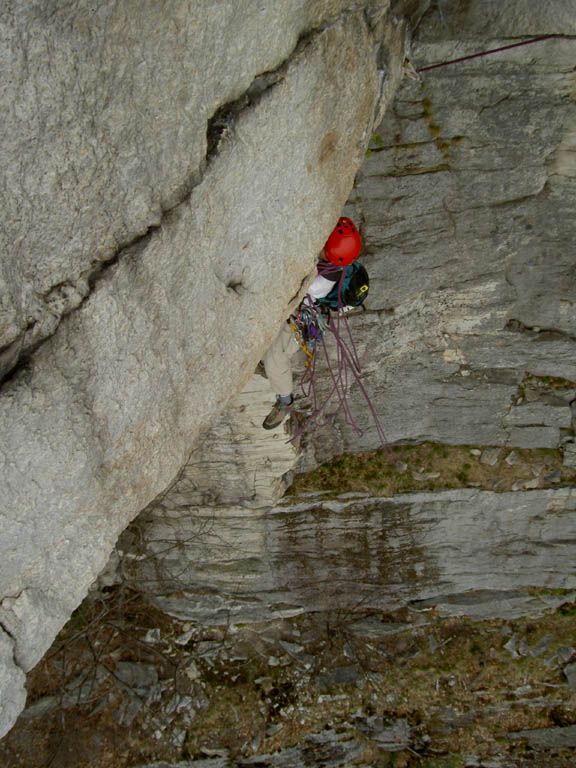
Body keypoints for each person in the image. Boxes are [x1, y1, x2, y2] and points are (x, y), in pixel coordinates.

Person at [261, 217, 362, 430]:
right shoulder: (336, 256)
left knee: (275, 357)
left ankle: (285, 401)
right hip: (306, 305)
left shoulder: (318, 285)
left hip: (304, 314)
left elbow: (290, 297)